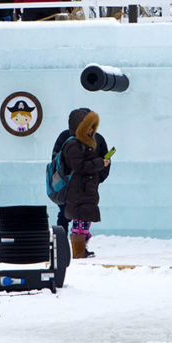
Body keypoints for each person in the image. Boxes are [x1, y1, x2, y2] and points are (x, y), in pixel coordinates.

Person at [51, 108, 110, 243]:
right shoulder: (68, 139)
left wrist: (95, 180)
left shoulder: (97, 139)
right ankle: (63, 244)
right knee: (66, 214)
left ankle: (78, 247)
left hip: (87, 187)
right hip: (67, 186)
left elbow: (105, 161)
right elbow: (58, 160)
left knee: (83, 217)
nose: (90, 130)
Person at [62, 110, 108, 259]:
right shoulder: (73, 145)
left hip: (85, 189)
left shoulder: (84, 144)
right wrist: (100, 163)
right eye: (88, 127)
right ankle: (78, 252)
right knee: (79, 223)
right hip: (79, 190)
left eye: (92, 127)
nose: (91, 130)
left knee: (84, 222)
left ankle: (82, 250)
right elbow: (80, 166)